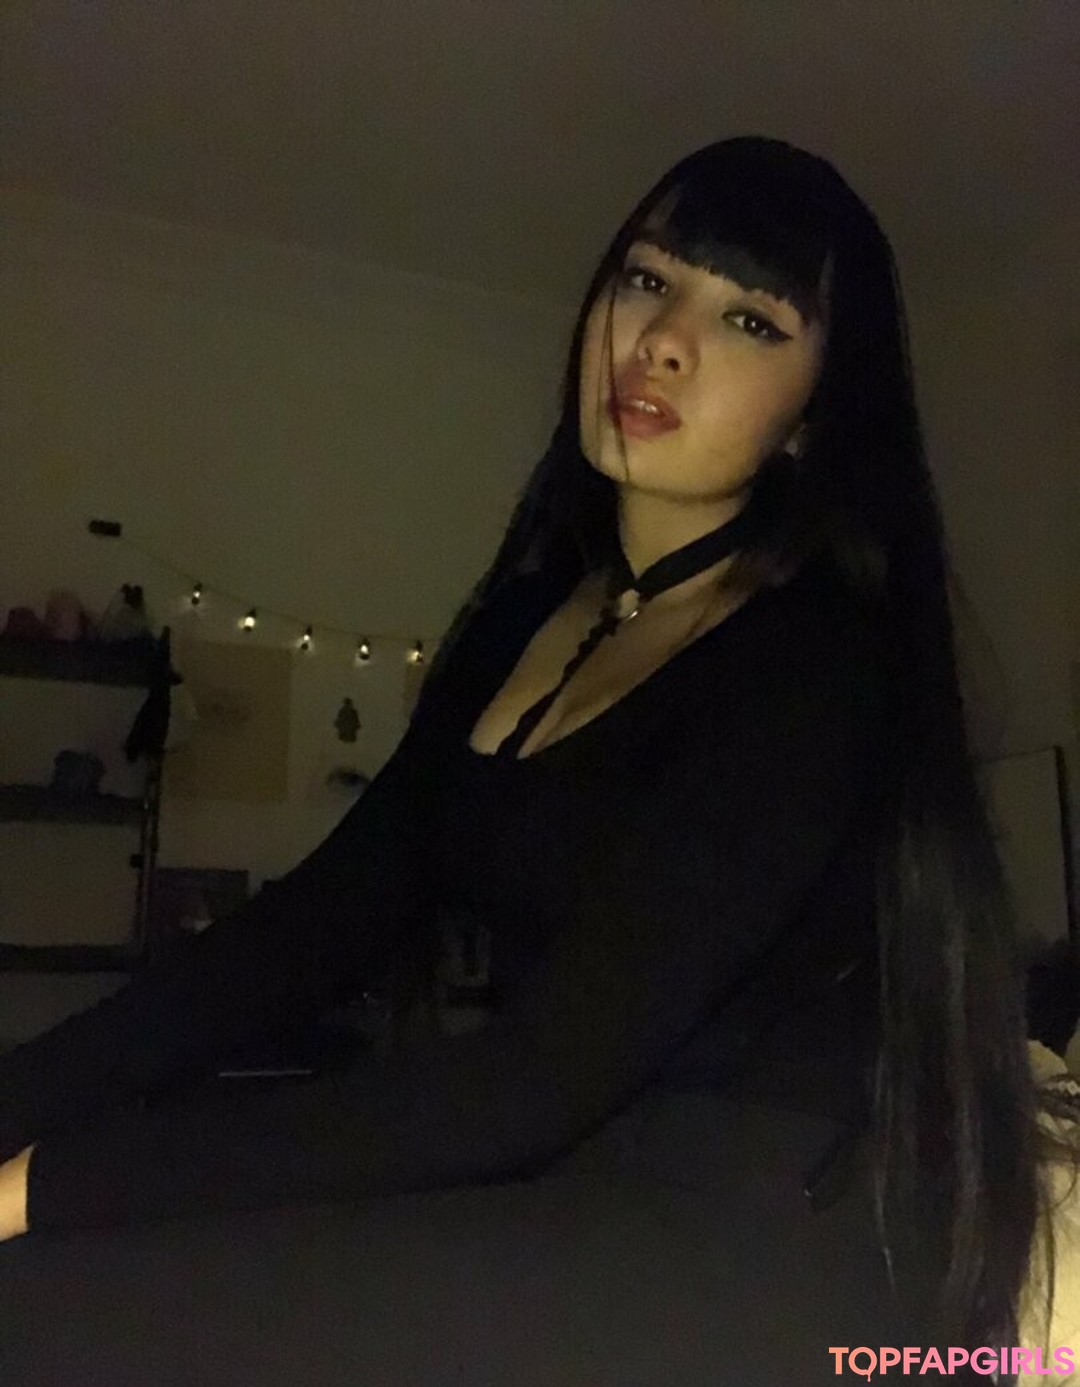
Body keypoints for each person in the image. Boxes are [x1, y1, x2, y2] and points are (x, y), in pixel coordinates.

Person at [0, 135, 1068, 1384]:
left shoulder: (822, 657)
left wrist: (48, 1183)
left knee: (62, 1301)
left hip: (782, 1220)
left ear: (814, 418)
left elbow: (534, 1078)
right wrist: (22, 1104)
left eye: (750, 321)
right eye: (647, 280)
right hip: (576, 1167)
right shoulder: (526, 622)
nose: (664, 340)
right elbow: (305, 931)